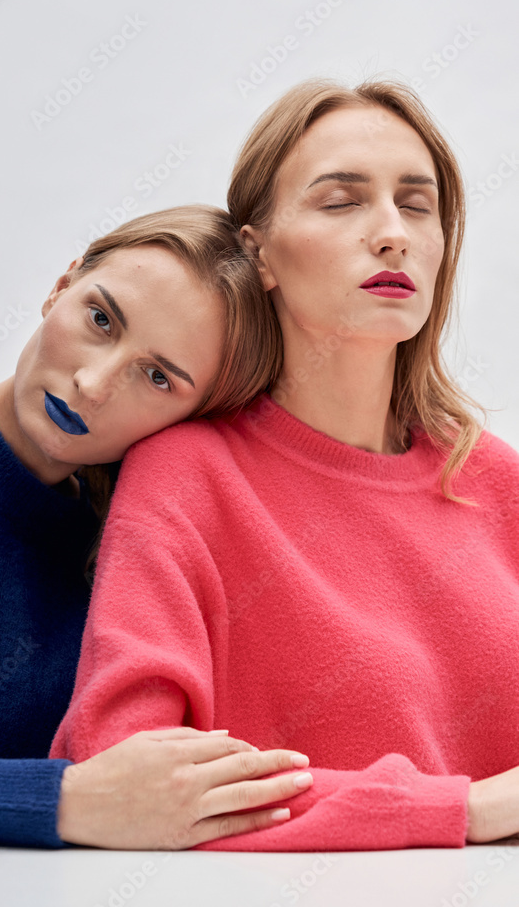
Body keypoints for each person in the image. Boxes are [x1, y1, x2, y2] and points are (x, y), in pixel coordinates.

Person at [50, 81, 519, 851]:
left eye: (416, 205)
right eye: (340, 202)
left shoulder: (494, 481)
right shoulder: (186, 476)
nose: (392, 234)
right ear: (258, 252)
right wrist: (457, 810)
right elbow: (120, 771)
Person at [0, 205, 314, 851]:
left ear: (188, 425)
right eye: (100, 319)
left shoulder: (139, 551)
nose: (93, 386)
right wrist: (64, 801)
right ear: (61, 286)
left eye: (158, 377)